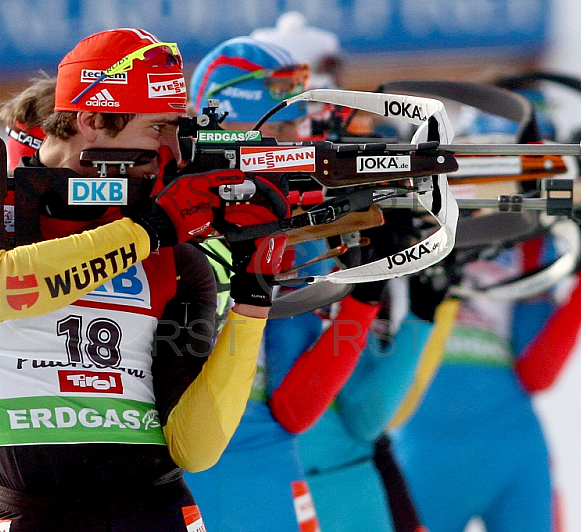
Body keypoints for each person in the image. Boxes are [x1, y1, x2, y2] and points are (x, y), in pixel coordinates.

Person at [0, 28, 288, 531]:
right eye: (159, 128)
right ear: (90, 120)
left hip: (160, 512)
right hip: (31, 512)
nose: (173, 148)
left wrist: (253, 299)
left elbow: (195, 448)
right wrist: (153, 229)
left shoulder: (176, 257)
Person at [183, 36, 382, 532]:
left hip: (262, 463)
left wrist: (365, 292)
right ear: (232, 119)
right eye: (288, 123)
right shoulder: (159, 196)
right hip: (177, 462)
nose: (300, 138)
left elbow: (295, 407)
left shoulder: (291, 210)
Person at [391, 96, 581, 532]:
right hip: (422, 445)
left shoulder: (531, 244)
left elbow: (538, 372)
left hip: (511, 449)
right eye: (486, 158)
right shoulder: (410, 215)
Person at [294, 214, 455, 532]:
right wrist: (424, 316)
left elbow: (368, 417)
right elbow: (369, 418)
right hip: (346, 467)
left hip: (314, 467)